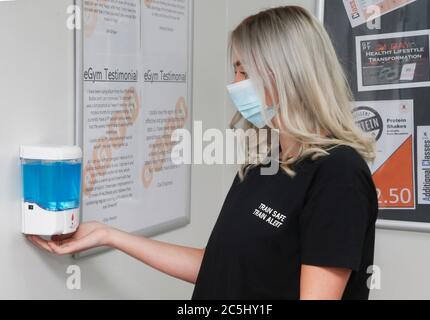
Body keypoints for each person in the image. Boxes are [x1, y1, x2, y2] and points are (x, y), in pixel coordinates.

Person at [28, 6, 378, 300]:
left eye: (244, 69)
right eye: (235, 68)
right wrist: (110, 235)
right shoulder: (265, 163)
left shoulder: (339, 174)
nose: (236, 82)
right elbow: (221, 268)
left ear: (287, 74)